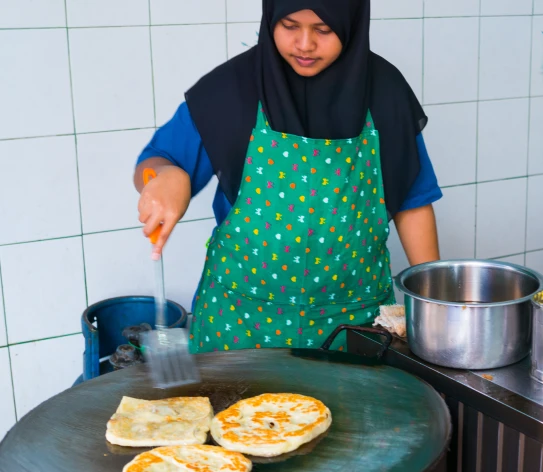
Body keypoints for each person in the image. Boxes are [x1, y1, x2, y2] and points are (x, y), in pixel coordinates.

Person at [134, 0, 442, 352]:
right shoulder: (231, 91)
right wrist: (165, 176)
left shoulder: (386, 91)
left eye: (323, 30)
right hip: (240, 325)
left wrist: (434, 310)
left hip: (355, 326)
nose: (305, 44)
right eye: (289, 25)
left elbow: (413, 202)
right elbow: (157, 160)